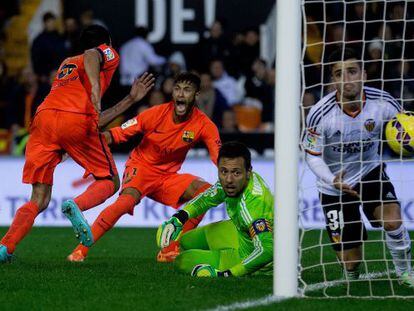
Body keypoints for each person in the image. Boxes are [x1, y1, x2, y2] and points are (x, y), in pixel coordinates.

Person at [0, 25, 154, 262]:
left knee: (38, 198)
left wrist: (131, 99)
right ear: (108, 43)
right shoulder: (103, 54)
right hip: (72, 122)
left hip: (43, 120)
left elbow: (91, 121)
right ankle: (77, 205)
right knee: (109, 181)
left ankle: (5, 248)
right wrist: (95, 88)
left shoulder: (66, 65)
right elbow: (93, 55)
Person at [67, 72, 221, 263]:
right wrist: (87, 143)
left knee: (206, 192)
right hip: (141, 168)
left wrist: (230, 172)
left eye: (187, 90)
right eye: (177, 89)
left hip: (167, 177)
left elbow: (219, 157)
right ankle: (80, 251)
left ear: (196, 95)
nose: (181, 95)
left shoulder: (204, 124)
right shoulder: (156, 113)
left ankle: (171, 248)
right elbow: (118, 133)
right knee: (124, 203)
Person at [302, 47, 414, 286]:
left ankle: (405, 273)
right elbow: (312, 156)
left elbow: (406, 129)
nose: (347, 79)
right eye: (339, 74)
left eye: (352, 71)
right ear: (333, 80)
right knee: (350, 262)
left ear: (364, 74)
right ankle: (350, 275)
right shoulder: (319, 114)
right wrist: (332, 180)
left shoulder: (384, 102)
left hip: (369, 171)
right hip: (333, 184)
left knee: (393, 221)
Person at [157, 142, 273, 277]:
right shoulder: (234, 181)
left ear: (248, 172)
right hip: (240, 232)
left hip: (251, 257)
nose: (229, 179)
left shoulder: (254, 206)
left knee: (182, 262)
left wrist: (229, 273)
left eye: (236, 173)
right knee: (186, 240)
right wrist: (179, 218)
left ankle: (223, 260)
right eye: (224, 171)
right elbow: (206, 199)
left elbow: (267, 251)